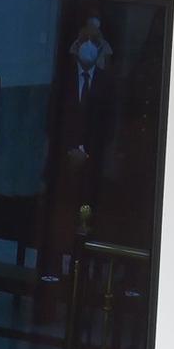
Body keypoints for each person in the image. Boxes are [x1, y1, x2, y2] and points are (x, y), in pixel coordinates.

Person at [39, 15, 115, 282]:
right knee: (58, 217)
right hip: (62, 165)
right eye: (85, 40)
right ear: (76, 43)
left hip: (91, 170)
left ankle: (82, 274)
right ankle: (52, 268)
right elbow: (51, 121)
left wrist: (87, 154)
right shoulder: (63, 80)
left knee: (86, 220)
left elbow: (108, 128)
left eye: (95, 41)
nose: (89, 46)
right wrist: (68, 153)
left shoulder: (107, 84)